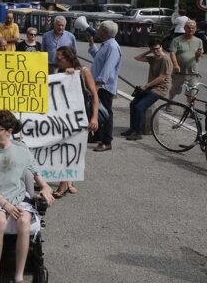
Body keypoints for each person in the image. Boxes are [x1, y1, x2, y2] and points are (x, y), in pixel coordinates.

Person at [0, 110, 55, 283]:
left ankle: (19, 277)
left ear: (9, 130)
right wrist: (6, 205)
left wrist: (46, 188)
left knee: (24, 221)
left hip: (18, 197)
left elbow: (37, 175)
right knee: (1, 221)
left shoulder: (22, 150)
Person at [52, 46, 100, 198]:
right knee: (65, 149)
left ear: (69, 58)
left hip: (80, 118)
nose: (57, 61)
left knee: (71, 149)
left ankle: (63, 184)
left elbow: (94, 95)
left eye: (60, 58)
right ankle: (69, 181)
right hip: (64, 117)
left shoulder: (84, 71)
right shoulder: (59, 72)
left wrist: (94, 117)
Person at [123, 40, 173, 141]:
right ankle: (132, 129)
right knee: (133, 104)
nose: (156, 51)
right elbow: (137, 58)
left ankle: (138, 132)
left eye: (157, 49)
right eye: (153, 49)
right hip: (151, 87)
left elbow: (162, 77)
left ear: (161, 47)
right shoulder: (154, 58)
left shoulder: (165, 59)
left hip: (160, 88)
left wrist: (146, 86)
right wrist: (149, 51)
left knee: (139, 107)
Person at [88, 21, 122, 152]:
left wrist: (98, 83)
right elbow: (98, 58)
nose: (97, 30)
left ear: (105, 32)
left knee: (106, 113)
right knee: (97, 110)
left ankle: (107, 141)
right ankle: (98, 135)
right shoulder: (106, 45)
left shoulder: (112, 47)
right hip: (100, 85)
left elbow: (108, 67)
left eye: (100, 29)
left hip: (104, 86)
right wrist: (91, 45)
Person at [169, 20, 203, 104]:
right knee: (174, 89)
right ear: (184, 28)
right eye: (188, 28)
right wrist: (176, 65)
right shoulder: (177, 40)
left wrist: (199, 54)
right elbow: (172, 53)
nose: (190, 29)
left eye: (193, 28)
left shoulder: (199, 41)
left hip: (193, 72)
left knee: (192, 92)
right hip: (179, 71)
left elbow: (199, 56)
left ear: (195, 29)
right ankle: (169, 103)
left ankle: (191, 109)